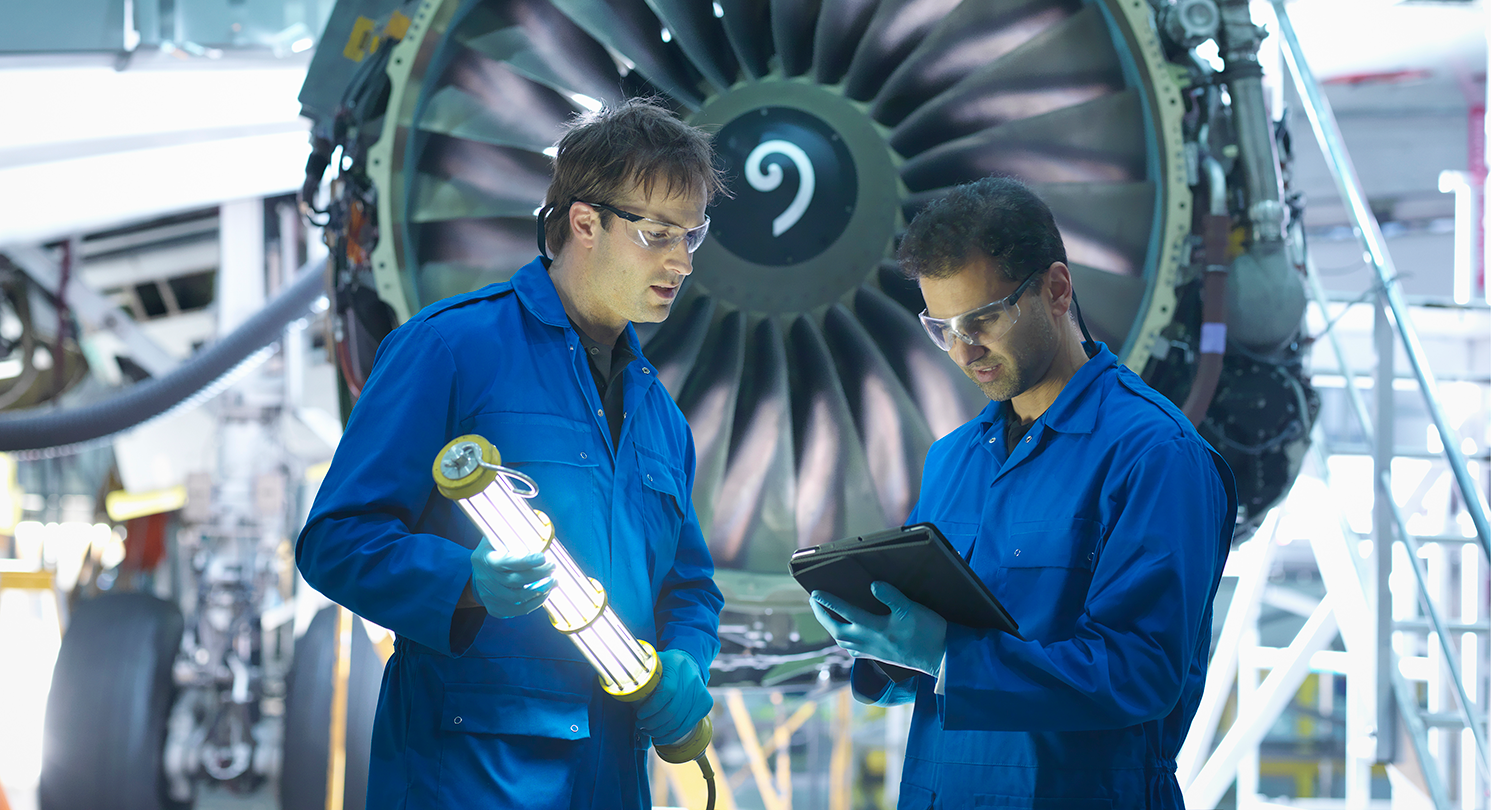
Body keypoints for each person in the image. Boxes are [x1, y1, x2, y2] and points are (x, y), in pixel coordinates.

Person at [297, 98, 725, 810]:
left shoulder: (661, 418)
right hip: (468, 778)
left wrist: (686, 660)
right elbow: (336, 541)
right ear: (585, 222)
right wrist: (465, 581)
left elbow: (690, 586)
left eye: (692, 237)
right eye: (658, 235)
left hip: (612, 780)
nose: (681, 262)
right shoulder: (450, 349)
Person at [808, 176, 1236, 808]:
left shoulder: (1155, 455)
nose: (962, 350)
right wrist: (882, 643)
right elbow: (932, 655)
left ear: (1056, 290)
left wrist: (948, 654)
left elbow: (1141, 673)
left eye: (982, 319)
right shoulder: (953, 460)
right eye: (941, 327)